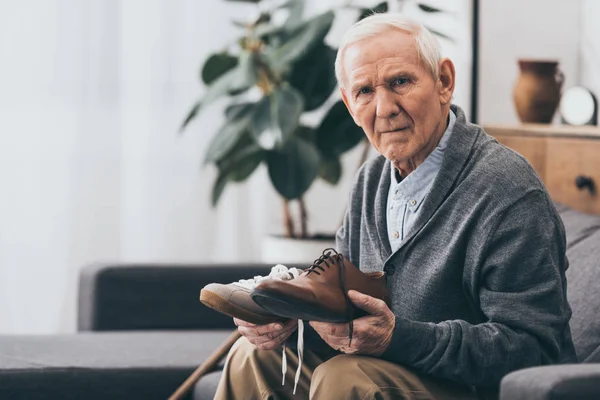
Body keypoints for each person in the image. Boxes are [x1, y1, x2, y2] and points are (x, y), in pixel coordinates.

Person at [213, 12, 576, 400]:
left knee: (346, 378)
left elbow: (534, 350)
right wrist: (290, 322)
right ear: (350, 106)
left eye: (400, 82)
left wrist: (398, 338)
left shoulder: (507, 189)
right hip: (393, 373)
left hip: (474, 389)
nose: (384, 108)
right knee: (252, 355)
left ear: (444, 82)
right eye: (365, 91)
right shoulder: (370, 183)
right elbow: (348, 311)